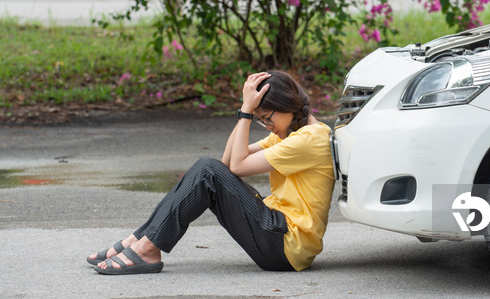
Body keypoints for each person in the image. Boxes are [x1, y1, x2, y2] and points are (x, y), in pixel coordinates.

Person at [87, 70, 335, 274]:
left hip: (286, 244)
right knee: (208, 169)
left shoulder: (309, 140)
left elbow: (234, 167)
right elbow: (228, 163)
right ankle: (140, 240)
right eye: (262, 120)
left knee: (207, 169)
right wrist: (245, 110)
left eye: (267, 118)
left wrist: (246, 112)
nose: (267, 125)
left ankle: (146, 248)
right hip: (278, 235)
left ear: (286, 106)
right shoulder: (288, 133)